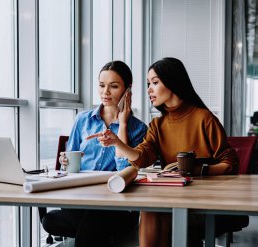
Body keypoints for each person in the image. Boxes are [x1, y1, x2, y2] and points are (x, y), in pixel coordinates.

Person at [87, 57, 239, 247]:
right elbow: (141, 158)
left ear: (173, 81)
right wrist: (118, 142)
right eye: (148, 83)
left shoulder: (204, 118)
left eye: (155, 82)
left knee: (162, 213)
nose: (149, 89)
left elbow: (230, 163)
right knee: (151, 208)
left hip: (205, 200)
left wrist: (198, 169)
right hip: (174, 196)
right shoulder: (158, 125)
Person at [41, 60, 148, 246]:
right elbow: (70, 157)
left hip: (114, 200)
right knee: (59, 221)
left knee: (87, 218)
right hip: (81, 195)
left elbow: (126, 170)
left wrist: (122, 124)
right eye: (101, 85)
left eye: (113, 86)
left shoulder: (138, 128)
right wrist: (65, 160)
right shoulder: (83, 120)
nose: (105, 92)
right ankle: (107, 233)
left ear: (127, 90)